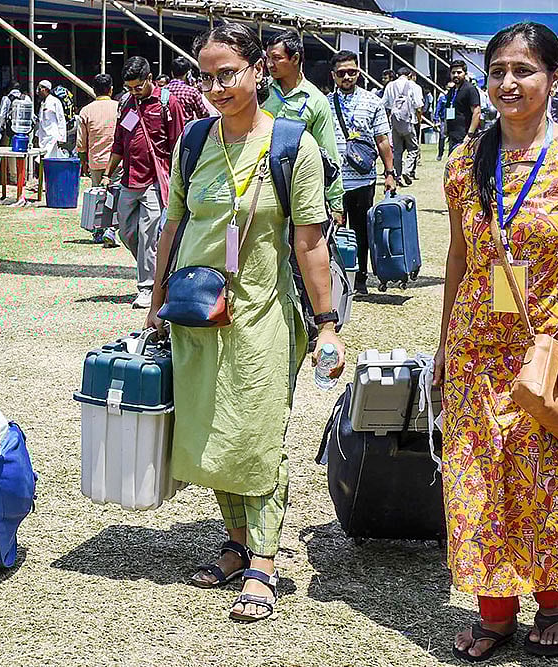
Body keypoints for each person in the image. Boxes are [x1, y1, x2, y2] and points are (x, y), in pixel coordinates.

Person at [436, 22, 558, 661]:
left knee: (549, 478)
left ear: (553, 78)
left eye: (524, 70)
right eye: (498, 71)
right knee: (479, 476)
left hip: (552, 347)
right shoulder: (465, 161)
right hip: (476, 350)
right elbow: (460, 259)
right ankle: (494, 612)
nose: (508, 83)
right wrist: (443, 345)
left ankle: (552, 602)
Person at [145, 21, 342, 623]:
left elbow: (310, 243)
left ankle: (264, 559)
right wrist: (154, 302)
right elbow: (173, 229)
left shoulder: (292, 145)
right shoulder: (194, 142)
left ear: (258, 70)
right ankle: (234, 543)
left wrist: (327, 322)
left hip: (263, 314)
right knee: (208, 429)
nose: (216, 87)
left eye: (228, 73)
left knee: (256, 435)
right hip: (196, 313)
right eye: (206, 76)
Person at [103, 57, 186, 309]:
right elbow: (119, 141)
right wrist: (108, 172)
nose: (133, 92)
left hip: (155, 181)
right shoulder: (126, 104)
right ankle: (159, 267)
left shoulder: (167, 103)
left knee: (148, 234)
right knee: (126, 232)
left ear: (150, 79)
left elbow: (179, 144)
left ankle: (147, 287)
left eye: (137, 87)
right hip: (129, 179)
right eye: (129, 88)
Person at [326, 51, 396, 294]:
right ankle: (334, 277)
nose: (348, 76)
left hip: (363, 180)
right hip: (332, 180)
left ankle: (360, 278)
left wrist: (390, 173)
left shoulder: (372, 102)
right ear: (333, 75)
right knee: (331, 230)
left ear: (359, 73)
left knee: (361, 230)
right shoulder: (323, 103)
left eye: (352, 72)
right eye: (342, 73)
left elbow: (383, 140)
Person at [263, 29, 345, 225]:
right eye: (267, 58)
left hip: (300, 187)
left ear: (295, 58)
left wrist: (335, 203)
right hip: (262, 186)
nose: (269, 64)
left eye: (276, 58)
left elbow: (328, 152)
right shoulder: (260, 92)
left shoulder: (316, 101)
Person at [381, 67, 423, 187]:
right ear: (409, 75)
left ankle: (397, 175)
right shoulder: (413, 86)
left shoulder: (390, 85)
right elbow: (419, 105)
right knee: (413, 148)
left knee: (397, 151)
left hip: (395, 122)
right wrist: (419, 120)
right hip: (409, 121)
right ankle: (407, 170)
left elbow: (384, 103)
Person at [77, 74, 119, 188]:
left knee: (97, 199)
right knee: (117, 199)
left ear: (94, 90)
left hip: (96, 162)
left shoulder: (86, 111)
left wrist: (84, 163)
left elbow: (81, 143)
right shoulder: (120, 108)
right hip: (117, 163)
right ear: (111, 90)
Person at [445, 60, 482, 153]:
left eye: (459, 72)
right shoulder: (451, 91)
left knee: (465, 166)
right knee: (453, 165)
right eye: (453, 73)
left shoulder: (470, 89)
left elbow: (476, 112)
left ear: (465, 73)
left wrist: (470, 135)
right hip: (453, 136)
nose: (456, 75)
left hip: (466, 137)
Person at [167, 56, 210, 121]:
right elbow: (203, 115)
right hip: (187, 129)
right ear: (188, 74)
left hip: (167, 130)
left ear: (172, 73)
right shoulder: (192, 92)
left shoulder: (162, 91)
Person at [36, 80, 67, 156]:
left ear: (46, 89)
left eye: (39, 89)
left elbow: (61, 119)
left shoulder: (55, 102)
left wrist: (61, 138)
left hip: (52, 138)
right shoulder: (42, 103)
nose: (38, 91)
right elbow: (41, 121)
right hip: (43, 138)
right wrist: (37, 135)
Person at [434, 81, 455, 160]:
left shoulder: (456, 96)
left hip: (453, 119)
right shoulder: (442, 97)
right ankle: (440, 153)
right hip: (444, 119)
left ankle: (451, 154)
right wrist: (436, 119)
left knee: (452, 138)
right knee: (442, 137)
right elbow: (438, 109)